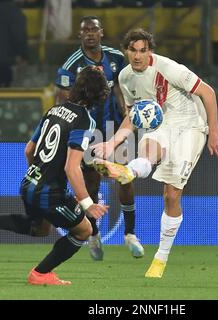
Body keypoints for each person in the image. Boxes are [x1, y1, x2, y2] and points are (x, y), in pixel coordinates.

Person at [0, 66, 110, 285]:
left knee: (40, 228)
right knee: (85, 230)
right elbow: (71, 167)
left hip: (28, 183)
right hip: (49, 192)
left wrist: (38, 176)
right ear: (98, 94)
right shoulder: (85, 120)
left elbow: (29, 149)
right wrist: (87, 203)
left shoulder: (53, 111)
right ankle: (41, 273)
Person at [92, 29, 218, 278]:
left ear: (150, 51)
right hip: (160, 124)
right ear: (126, 51)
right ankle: (128, 171)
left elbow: (208, 93)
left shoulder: (169, 68)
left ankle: (160, 258)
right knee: (148, 151)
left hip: (190, 126)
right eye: (132, 50)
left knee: (171, 195)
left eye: (142, 50)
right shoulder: (125, 78)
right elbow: (133, 117)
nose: (137, 55)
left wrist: (214, 133)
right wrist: (111, 143)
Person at [55, 16, 144, 261]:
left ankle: (130, 234)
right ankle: (93, 234)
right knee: (92, 184)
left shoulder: (115, 58)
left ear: (101, 33)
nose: (90, 34)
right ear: (80, 35)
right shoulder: (71, 65)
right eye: (86, 30)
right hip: (87, 132)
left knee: (125, 177)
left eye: (94, 29)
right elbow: (62, 100)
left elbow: (121, 89)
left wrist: (127, 116)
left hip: (114, 130)